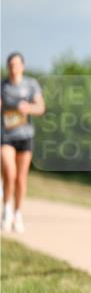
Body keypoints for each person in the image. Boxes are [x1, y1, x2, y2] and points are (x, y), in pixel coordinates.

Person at [1, 52, 45, 233]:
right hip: (6, 136)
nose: (14, 67)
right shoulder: (3, 85)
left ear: (23, 66)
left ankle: (18, 213)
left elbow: (41, 107)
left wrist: (29, 108)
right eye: (11, 64)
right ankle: (7, 210)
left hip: (25, 136)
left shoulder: (31, 84)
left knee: (20, 178)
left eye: (17, 64)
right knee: (9, 173)